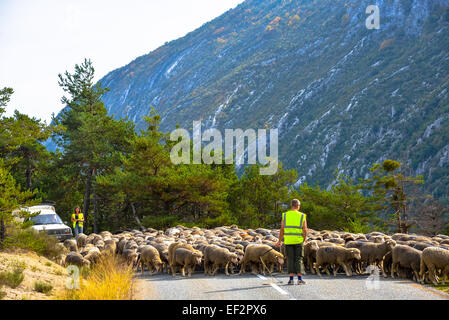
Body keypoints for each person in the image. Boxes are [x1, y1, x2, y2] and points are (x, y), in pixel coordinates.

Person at [275, 199, 308, 285]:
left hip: (288, 241)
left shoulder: (285, 215)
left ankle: (291, 279)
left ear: (291, 205)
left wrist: (279, 240)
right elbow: (305, 229)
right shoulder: (302, 215)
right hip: (298, 240)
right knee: (298, 259)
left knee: (290, 259)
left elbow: (282, 228)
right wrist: (304, 239)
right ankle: (300, 279)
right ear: (298, 206)